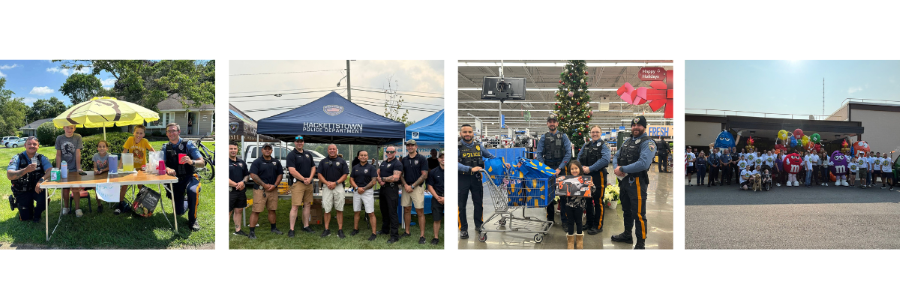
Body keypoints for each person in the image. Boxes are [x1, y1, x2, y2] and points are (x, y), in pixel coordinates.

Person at [611, 116, 657, 249]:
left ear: (644, 127)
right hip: (624, 181)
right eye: (633, 125)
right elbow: (616, 156)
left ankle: (641, 243)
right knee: (626, 210)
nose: (635, 127)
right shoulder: (627, 141)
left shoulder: (648, 143)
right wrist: (616, 168)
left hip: (637, 182)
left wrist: (622, 169)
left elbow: (643, 163)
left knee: (639, 214)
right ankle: (627, 235)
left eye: (639, 125)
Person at [457, 124, 506, 239]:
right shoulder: (457, 147)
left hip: (476, 178)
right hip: (462, 179)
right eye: (465, 132)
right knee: (461, 205)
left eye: (470, 132)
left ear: (473, 133)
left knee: (478, 203)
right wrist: (470, 169)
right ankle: (463, 229)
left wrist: (503, 163)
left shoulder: (479, 146)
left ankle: (479, 225)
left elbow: (490, 157)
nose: (467, 134)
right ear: (461, 133)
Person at [162, 123, 205, 231]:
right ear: (166, 134)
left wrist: (191, 161)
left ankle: (193, 220)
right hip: (175, 180)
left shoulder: (188, 144)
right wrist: (167, 168)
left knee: (192, 191)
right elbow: (161, 164)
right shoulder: (165, 147)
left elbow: (202, 163)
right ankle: (186, 199)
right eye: (169, 131)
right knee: (179, 212)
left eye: (174, 130)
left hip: (190, 176)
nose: (171, 133)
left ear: (179, 132)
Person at [535, 114, 572, 224]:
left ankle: (565, 221)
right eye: (550, 122)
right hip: (548, 169)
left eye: (554, 121)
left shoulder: (564, 137)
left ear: (557, 123)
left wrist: (560, 168)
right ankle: (550, 219)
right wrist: (545, 168)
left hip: (561, 169)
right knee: (548, 195)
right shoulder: (543, 137)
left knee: (563, 195)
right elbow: (539, 154)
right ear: (547, 124)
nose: (552, 123)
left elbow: (568, 154)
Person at [8, 137, 52, 222]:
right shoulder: (17, 158)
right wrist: (25, 170)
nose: (32, 146)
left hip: (37, 188)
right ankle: (19, 205)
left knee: (44, 202)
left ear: (38, 146)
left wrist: (41, 180)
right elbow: (9, 175)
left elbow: (50, 170)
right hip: (22, 190)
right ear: (25, 145)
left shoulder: (41, 158)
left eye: (34, 144)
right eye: (29, 144)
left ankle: (37, 213)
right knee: (26, 218)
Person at [577, 125, 610, 235]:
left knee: (598, 201)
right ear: (590, 133)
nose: (595, 134)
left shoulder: (604, 145)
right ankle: (589, 223)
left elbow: (605, 160)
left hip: (598, 176)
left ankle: (598, 225)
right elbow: (579, 157)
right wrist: (581, 167)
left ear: (600, 133)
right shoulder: (586, 145)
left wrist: (590, 168)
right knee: (587, 200)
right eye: (593, 132)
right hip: (585, 175)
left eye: (597, 132)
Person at [249, 143, 283, 239]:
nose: (267, 150)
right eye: (265, 149)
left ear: (272, 151)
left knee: (272, 209)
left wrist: (275, 185)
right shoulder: (257, 162)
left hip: (273, 189)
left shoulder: (276, 162)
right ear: (262, 150)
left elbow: (280, 174)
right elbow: (253, 175)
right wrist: (264, 185)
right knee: (256, 210)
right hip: (260, 190)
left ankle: (274, 228)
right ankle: (251, 232)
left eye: (269, 149)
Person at [286, 135, 317, 237]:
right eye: (297, 141)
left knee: (307, 205)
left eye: (301, 141)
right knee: (295, 206)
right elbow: (292, 170)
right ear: (295, 143)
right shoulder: (291, 155)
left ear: (303, 142)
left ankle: (306, 226)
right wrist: (304, 179)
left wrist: (310, 178)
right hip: (298, 183)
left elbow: (313, 167)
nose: (299, 143)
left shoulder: (308, 154)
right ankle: (291, 229)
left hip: (309, 183)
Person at [120, 125, 155, 214]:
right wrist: (119, 166)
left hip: (141, 168)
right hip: (130, 167)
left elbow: (153, 151)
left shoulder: (145, 141)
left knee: (140, 186)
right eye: (137, 133)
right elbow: (124, 152)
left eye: (141, 133)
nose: (138, 135)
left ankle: (142, 204)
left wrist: (153, 163)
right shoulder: (130, 139)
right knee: (124, 185)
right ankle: (120, 203)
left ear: (144, 134)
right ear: (133, 133)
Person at [559, 160, 594, 249]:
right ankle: (570, 241)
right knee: (570, 222)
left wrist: (592, 186)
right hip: (568, 206)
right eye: (572, 169)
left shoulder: (585, 179)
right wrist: (559, 186)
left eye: (576, 168)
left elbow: (592, 192)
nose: (574, 170)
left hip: (580, 206)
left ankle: (579, 240)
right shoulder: (566, 179)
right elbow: (561, 193)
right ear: (569, 170)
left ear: (580, 169)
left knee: (579, 222)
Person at [317, 144, 349, 238]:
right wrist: (327, 183)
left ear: (336, 150)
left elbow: (345, 175)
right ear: (327, 150)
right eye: (330, 149)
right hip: (327, 187)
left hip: (338, 186)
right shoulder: (323, 161)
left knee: (339, 209)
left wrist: (336, 183)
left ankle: (340, 230)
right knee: (327, 209)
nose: (332, 150)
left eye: (333, 149)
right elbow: (319, 175)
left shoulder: (342, 161)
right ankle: (326, 229)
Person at [400, 140, 429, 244]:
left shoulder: (422, 159)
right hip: (406, 187)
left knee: (419, 211)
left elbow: (424, 175)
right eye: (408, 145)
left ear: (416, 146)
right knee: (406, 209)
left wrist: (412, 185)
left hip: (417, 188)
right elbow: (400, 174)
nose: (410, 147)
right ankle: (407, 231)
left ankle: (422, 236)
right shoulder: (404, 159)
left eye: (412, 145)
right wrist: (405, 185)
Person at [56, 124, 85, 217]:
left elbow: (78, 153)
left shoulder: (78, 137)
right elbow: (58, 155)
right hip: (63, 168)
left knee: (75, 189)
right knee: (65, 190)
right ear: (63, 127)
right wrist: (57, 168)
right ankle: (66, 207)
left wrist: (78, 168)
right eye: (67, 127)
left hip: (74, 168)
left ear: (74, 128)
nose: (69, 129)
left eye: (71, 128)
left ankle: (77, 209)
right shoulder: (59, 138)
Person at [350, 150, 378, 241]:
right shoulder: (355, 167)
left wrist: (364, 188)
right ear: (358, 157)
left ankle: (374, 233)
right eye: (361, 155)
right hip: (357, 191)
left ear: (367, 157)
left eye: (365, 155)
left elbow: (374, 181)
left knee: (371, 213)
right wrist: (357, 188)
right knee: (356, 211)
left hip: (367, 192)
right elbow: (351, 179)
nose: (363, 156)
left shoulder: (371, 167)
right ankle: (355, 229)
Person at [377, 146, 403, 243]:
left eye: (391, 152)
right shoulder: (384, 163)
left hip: (391, 189)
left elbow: (396, 178)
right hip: (383, 189)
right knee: (384, 210)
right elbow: (378, 172)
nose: (389, 153)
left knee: (392, 212)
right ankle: (385, 230)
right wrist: (379, 179)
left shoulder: (397, 163)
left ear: (395, 152)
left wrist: (382, 179)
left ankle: (394, 235)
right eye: (387, 151)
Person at [228, 141, 250, 237]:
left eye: (235, 148)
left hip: (240, 191)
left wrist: (243, 182)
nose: (233, 150)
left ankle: (238, 230)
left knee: (239, 210)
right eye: (231, 148)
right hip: (229, 191)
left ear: (237, 150)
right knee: (228, 211)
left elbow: (246, 175)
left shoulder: (241, 162)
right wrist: (236, 185)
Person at [426, 152, 444, 245]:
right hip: (437, 197)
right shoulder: (433, 172)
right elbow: (429, 186)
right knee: (436, 219)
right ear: (438, 159)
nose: (443, 159)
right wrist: (437, 197)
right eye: (441, 157)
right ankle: (436, 238)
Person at [92, 140, 112, 211]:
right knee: (96, 188)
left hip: (107, 174)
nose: (102, 148)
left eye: (104, 146)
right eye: (100, 147)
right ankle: (99, 204)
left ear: (107, 148)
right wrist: (95, 170)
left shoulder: (109, 155)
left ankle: (108, 198)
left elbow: (109, 167)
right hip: (98, 175)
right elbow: (95, 167)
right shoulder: (95, 156)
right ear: (97, 148)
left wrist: (102, 170)